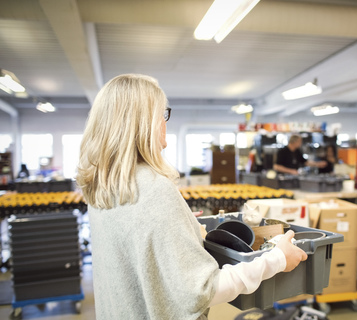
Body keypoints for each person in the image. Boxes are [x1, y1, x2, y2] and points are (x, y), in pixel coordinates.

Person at [76, 74, 307, 320]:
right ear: (143, 123)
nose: (165, 122)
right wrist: (278, 259)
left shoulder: (103, 184)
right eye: (162, 114)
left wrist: (180, 223)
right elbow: (201, 292)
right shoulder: (154, 189)